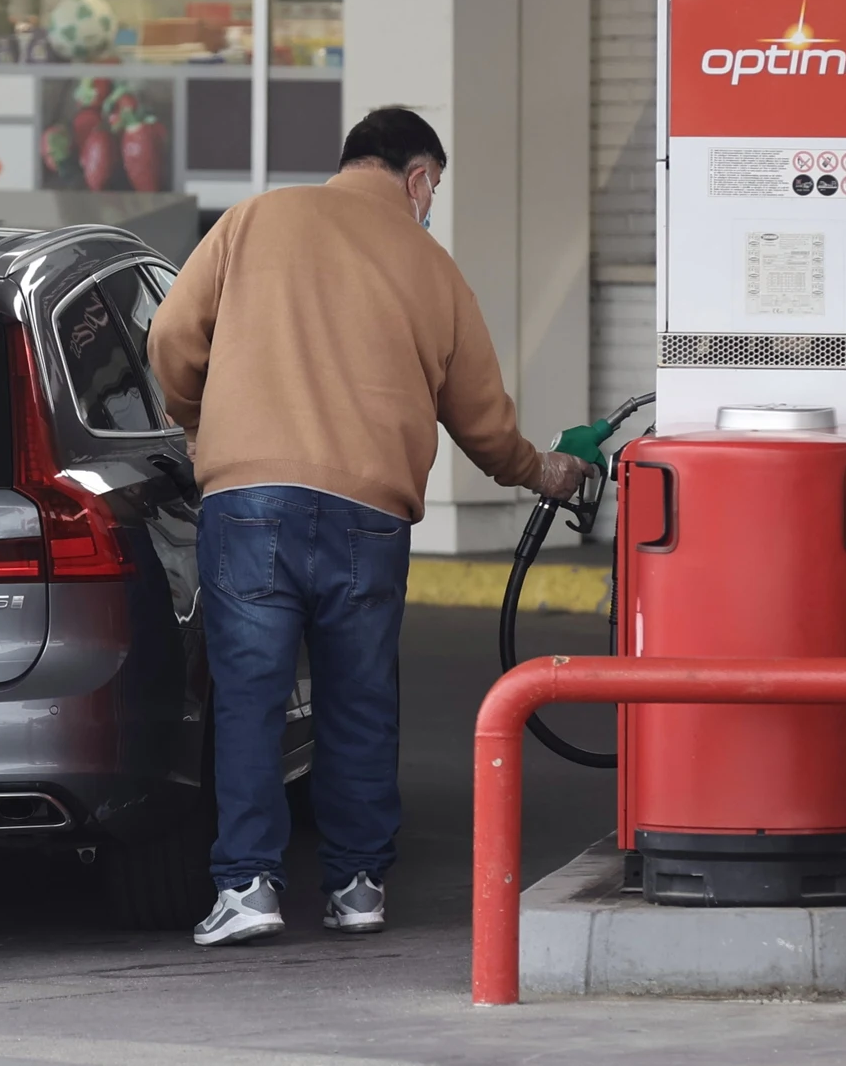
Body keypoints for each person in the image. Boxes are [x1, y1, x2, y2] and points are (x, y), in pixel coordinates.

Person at [148, 106, 591, 946]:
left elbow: (170, 332)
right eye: (435, 190)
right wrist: (544, 471)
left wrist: (195, 415)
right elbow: (484, 424)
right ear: (419, 178)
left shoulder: (253, 220)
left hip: (251, 502)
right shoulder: (431, 266)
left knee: (249, 699)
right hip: (368, 513)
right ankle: (355, 886)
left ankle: (248, 888)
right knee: (360, 698)